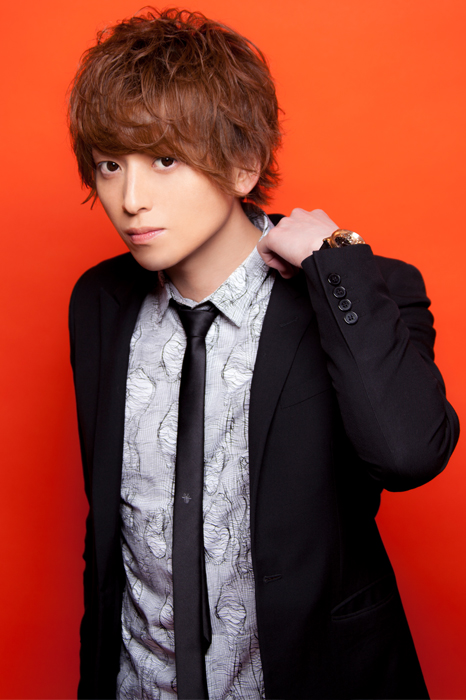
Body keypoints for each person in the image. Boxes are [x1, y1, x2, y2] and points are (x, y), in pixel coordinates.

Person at [68, 8, 459, 700]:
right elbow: (113, 534)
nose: (130, 199)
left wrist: (335, 262)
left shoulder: (355, 290)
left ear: (243, 164)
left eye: (165, 160)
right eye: (109, 165)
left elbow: (408, 456)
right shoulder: (100, 303)